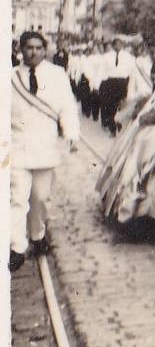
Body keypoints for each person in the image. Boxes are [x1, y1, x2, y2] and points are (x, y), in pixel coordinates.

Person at [9, 31, 80, 272]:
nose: (34, 52)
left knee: (39, 197)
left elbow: (67, 106)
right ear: (21, 50)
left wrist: (71, 134)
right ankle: (17, 248)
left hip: (44, 147)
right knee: (17, 198)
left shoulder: (57, 74)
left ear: (44, 49)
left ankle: (37, 235)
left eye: (39, 48)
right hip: (17, 146)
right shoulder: (9, 77)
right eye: (29, 47)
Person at [99, 38, 136, 135]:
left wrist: (130, 85)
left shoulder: (128, 56)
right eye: (116, 44)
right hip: (110, 82)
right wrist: (99, 84)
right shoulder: (106, 56)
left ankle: (118, 124)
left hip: (122, 82)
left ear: (122, 45)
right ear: (113, 45)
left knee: (121, 105)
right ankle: (112, 128)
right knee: (111, 105)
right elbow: (102, 70)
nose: (118, 46)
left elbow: (132, 70)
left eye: (120, 44)